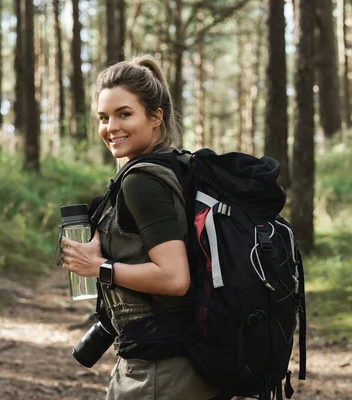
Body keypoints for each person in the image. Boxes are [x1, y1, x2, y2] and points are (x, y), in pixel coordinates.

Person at [60, 55, 230, 400]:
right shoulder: (177, 164)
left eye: (125, 114)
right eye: (103, 118)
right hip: (183, 361)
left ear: (155, 117)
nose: (111, 127)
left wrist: (100, 269)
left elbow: (174, 278)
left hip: (162, 371)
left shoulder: (142, 181)